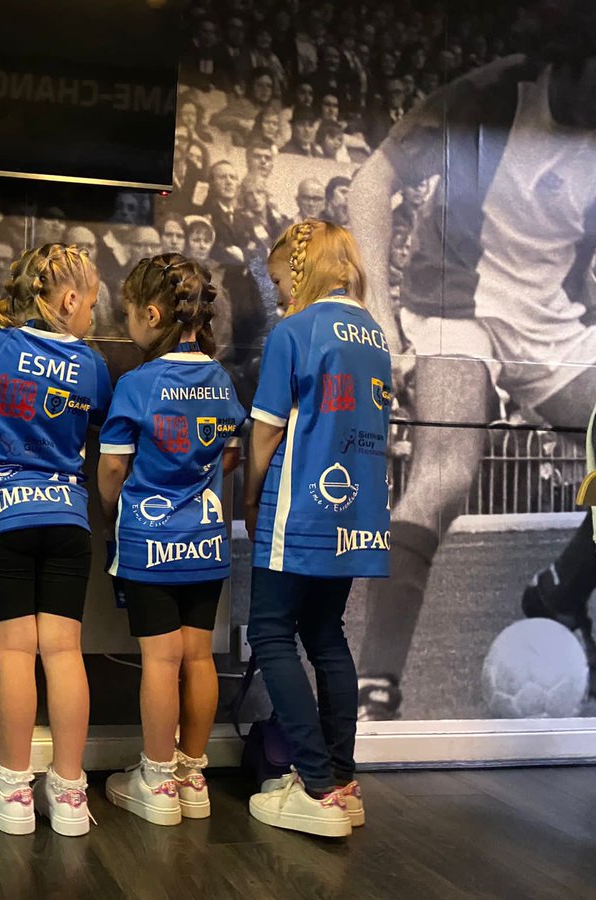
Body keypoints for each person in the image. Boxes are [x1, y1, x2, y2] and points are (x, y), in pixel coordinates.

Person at [348, 6, 596, 718]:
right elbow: (372, 184)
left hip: (553, 321)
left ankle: (561, 593)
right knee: (447, 475)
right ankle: (377, 685)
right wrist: (382, 324)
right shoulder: (492, 96)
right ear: (574, 61)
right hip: (456, 304)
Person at [244, 221, 392, 838]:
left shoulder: (295, 330)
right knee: (326, 635)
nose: (277, 293)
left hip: (297, 510)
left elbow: (268, 430)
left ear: (302, 272)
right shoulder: (376, 335)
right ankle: (341, 779)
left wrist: (250, 498)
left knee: (272, 634)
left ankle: (316, 785)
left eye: (280, 279)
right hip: (355, 514)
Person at [0, 243, 111, 837]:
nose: (94, 316)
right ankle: (71, 795)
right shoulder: (94, 366)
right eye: (93, 303)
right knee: (64, 653)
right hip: (68, 520)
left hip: (3, 517)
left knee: (16, 653)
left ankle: (13, 792)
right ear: (68, 299)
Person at [98, 255, 244, 826]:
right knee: (200, 656)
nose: (127, 322)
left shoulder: (135, 384)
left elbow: (112, 470)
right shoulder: (219, 377)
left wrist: (115, 511)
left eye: (130, 313)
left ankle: (156, 783)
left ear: (153, 314)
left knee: (160, 661)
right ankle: (191, 776)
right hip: (206, 538)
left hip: (149, 540)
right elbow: (230, 452)